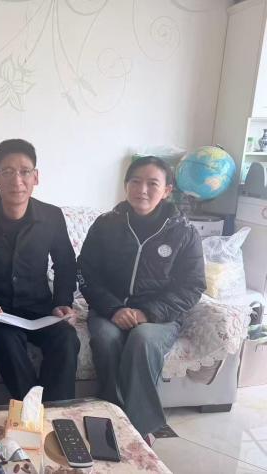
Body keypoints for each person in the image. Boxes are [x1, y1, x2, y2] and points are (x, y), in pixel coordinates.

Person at [77, 156, 206, 438]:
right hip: (109, 310)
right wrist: (114, 308)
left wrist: (148, 313)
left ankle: (137, 429)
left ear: (167, 190)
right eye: (135, 181)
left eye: (152, 183)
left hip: (160, 316)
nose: (142, 190)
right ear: (126, 185)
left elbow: (192, 286)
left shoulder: (183, 232)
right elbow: (85, 272)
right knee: (106, 339)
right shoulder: (106, 224)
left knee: (143, 339)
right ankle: (111, 414)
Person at [0, 139, 80, 402]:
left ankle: (57, 413)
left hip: (40, 309)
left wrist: (62, 302)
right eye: (7, 171)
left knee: (66, 339)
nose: (17, 180)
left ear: (36, 177)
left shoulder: (51, 217)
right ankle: (32, 413)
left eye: (25, 171)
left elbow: (65, 263)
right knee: (6, 343)